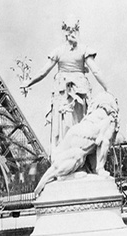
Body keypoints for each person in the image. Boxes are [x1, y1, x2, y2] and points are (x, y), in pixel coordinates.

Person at [21, 21, 108, 160]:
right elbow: (96, 71)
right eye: (70, 29)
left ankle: (68, 156)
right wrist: (107, 89)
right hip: (70, 92)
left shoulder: (63, 51)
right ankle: (72, 157)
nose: (72, 32)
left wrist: (29, 82)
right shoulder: (81, 50)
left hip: (70, 93)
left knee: (68, 126)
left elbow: (44, 72)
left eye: (73, 29)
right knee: (76, 125)